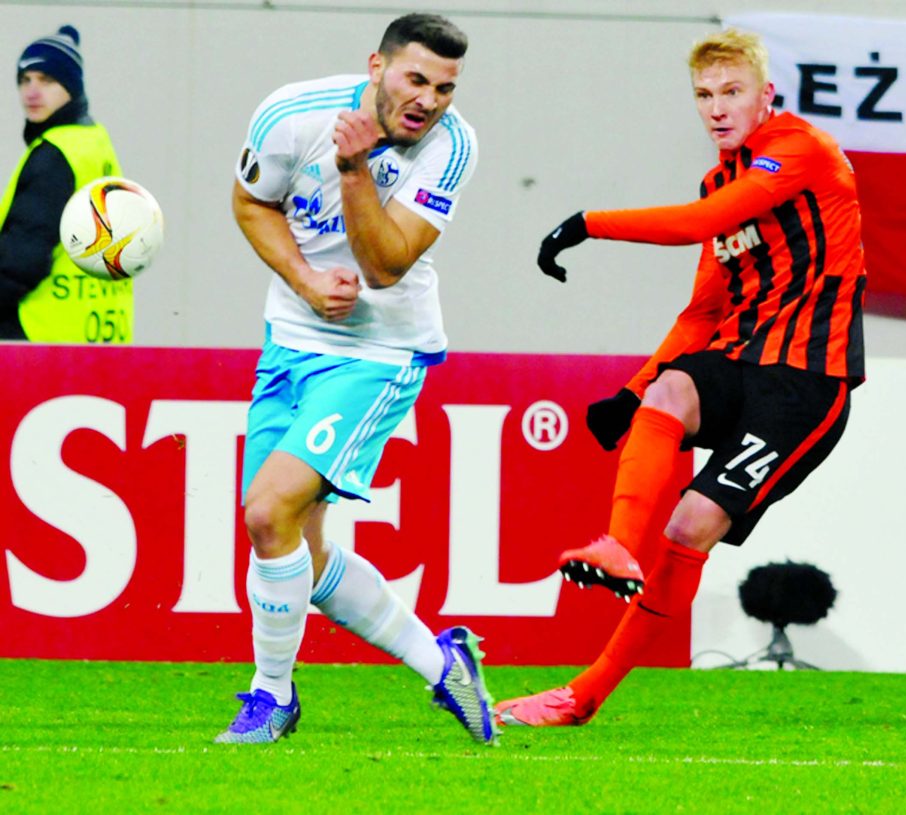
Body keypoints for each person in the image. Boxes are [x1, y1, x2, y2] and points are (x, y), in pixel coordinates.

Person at [497, 28, 865, 727]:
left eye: (732, 93)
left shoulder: (799, 149)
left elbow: (703, 221)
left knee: (691, 522)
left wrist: (587, 223)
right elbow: (700, 311)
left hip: (806, 383)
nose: (717, 108)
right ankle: (614, 545)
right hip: (742, 361)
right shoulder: (719, 177)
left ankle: (583, 695)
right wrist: (632, 390)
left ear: (766, 97)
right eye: (704, 95)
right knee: (669, 389)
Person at [215, 13, 496, 745]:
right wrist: (305, 280)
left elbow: (385, 265)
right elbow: (251, 202)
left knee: (266, 512)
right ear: (375, 67)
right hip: (289, 338)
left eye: (444, 87)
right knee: (294, 546)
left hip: (380, 351)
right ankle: (442, 664)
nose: (429, 99)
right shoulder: (290, 113)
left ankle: (271, 697)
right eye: (415, 79)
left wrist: (353, 169)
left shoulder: (452, 146)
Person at [0, 25, 131, 343]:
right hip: (99, 328)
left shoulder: (56, 153)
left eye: (47, 80)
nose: (31, 92)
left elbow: (22, 258)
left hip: (38, 332)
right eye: (25, 80)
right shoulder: (96, 142)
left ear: (72, 87)